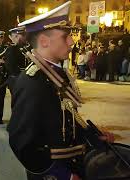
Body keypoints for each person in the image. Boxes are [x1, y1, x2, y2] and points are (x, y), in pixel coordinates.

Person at [7, 2, 114, 179]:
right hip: (53, 172)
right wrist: (62, 175)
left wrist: (93, 136)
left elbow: (64, 121)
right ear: (44, 41)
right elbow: (22, 144)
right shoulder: (33, 82)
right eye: (66, 36)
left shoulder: (55, 74)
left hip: (73, 164)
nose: (72, 41)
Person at [5, 26, 30, 97]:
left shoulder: (29, 47)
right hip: (16, 80)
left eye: (22, 35)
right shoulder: (11, 50)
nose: (19, 38)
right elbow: (10, 67)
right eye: (16, 36)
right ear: (11, 37)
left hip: (28, 80)